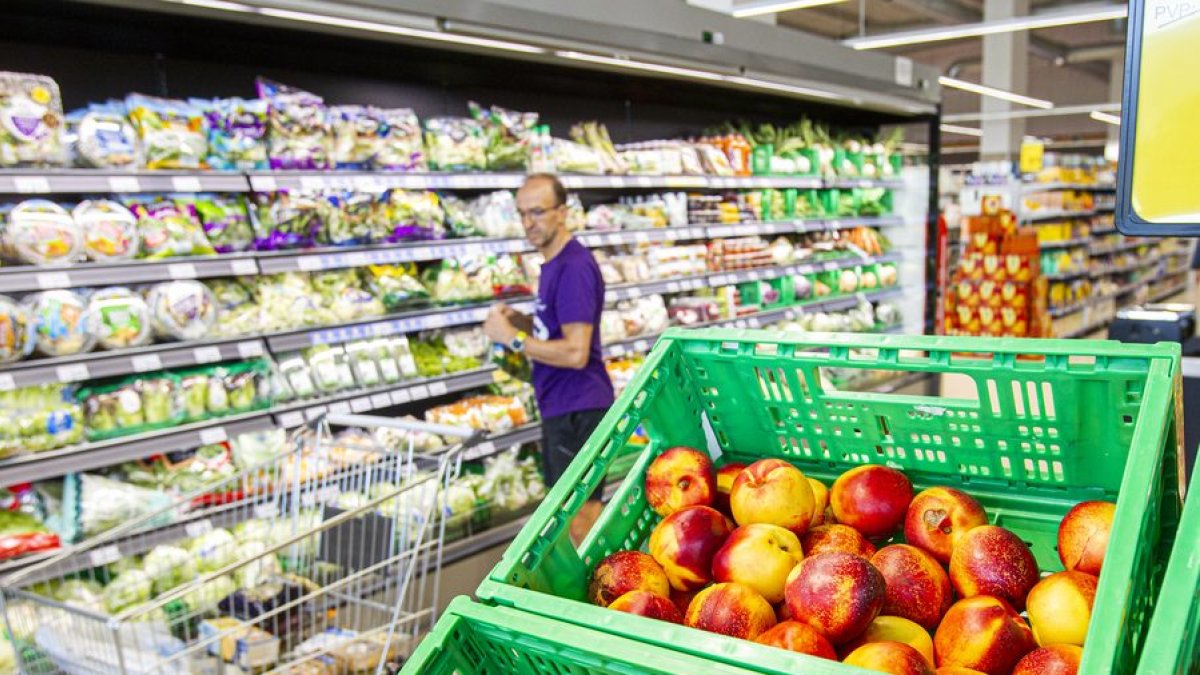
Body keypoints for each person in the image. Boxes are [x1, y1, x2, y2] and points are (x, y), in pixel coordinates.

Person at [483, 173, 614, 543]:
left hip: (579, 408)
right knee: (574, 515)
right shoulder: (554, 264)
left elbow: (575, 352)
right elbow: (556, 331)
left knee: (580, 519)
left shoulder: (573, 267)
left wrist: (513, 339)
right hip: (563, 405)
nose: (528, 223)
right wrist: (522, 321)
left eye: (537, 212)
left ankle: (604, 595)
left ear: (563, 212)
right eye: (522, 213)